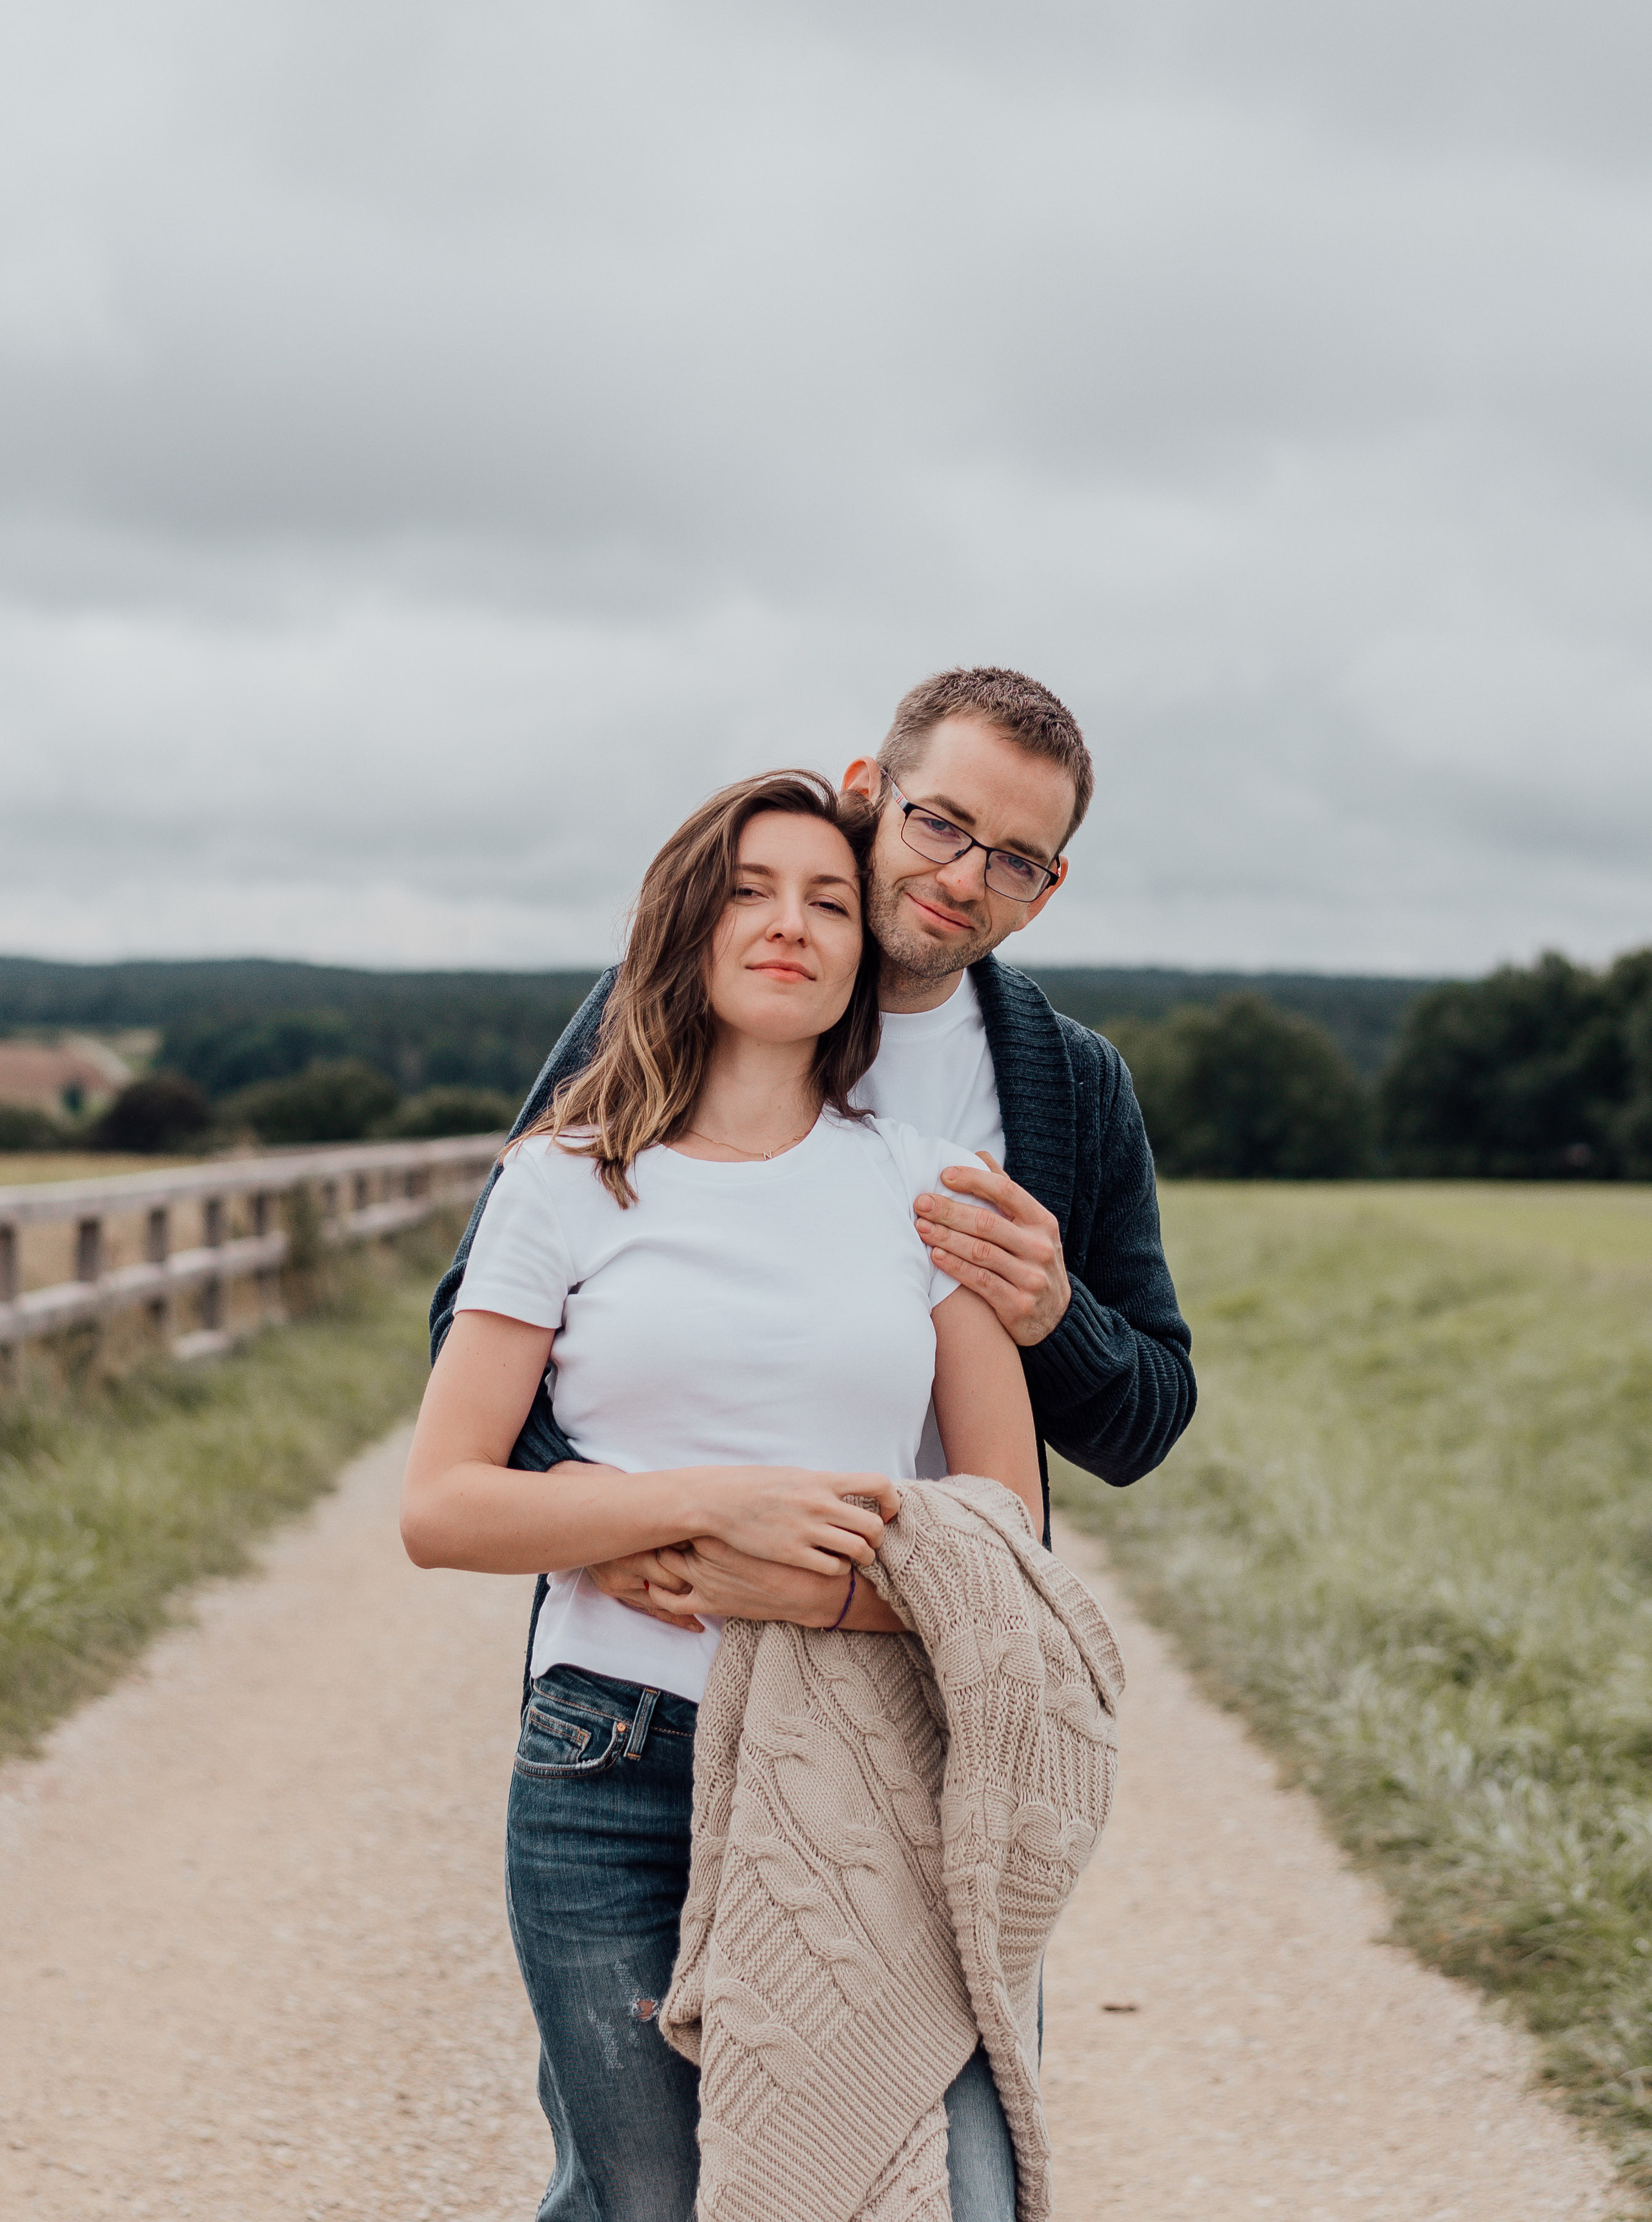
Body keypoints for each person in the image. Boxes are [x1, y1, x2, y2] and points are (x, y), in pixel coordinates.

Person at [401, 770, 1043, 2220]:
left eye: (827, 900)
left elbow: (1010, 1546)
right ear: (685, 924)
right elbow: (442, 1503)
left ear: (856, 954)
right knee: (652, 2203)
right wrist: (700, 1507)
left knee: (953, 2193)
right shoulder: (562, 1180)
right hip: (609, 1763)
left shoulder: (926, 1184)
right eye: (750, 888)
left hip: (874, 1764)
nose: (788, 924)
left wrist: (818, 1587)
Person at [430, 664, 1195, 1650]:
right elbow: (479, 1309)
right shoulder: (672, 1001)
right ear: (868, 794)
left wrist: (1058, 1318)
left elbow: (1145, 1427)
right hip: (647, 1648)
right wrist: (604, 1507)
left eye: (1015, 860)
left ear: (1045, 892)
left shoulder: (1074, 1086)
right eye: (941, 824)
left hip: (904, 1661)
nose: (964, 878)